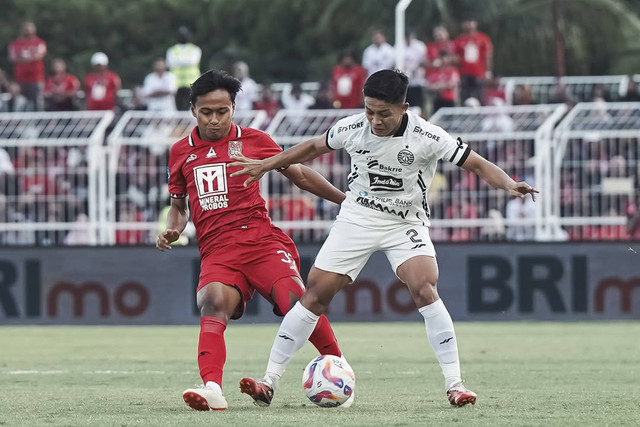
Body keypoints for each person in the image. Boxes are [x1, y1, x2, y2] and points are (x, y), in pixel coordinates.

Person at [230, 69, 538, 408]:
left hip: (405, 223)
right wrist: (269, 164)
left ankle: (456, 384)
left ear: (403, 107)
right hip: (357, 217)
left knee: (424, 287)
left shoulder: (428, 136)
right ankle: (269, 382)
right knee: (315, 294)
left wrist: (509, 183)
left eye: (383, 113)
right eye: (369, 110)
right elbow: (314, 147)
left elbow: (476, 164)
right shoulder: (352, 127)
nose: (375, 120)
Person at [156, 70, 349, 411]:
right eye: (206, 112)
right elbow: (178, 208)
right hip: (217, 249)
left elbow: (301, 175)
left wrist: (347, 202)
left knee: (297, 302)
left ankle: (339, 370)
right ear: (192, 110)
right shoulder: (179, 153)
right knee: (212, 302)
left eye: (222, 111)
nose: (214, 120)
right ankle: (212, 388)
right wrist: (174, 229)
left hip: (260, 241)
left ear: (233, 108)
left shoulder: (256, 141)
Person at [8, 21, 47, 111]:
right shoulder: (16, 44)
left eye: (29, 29)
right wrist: (29, 59)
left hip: (36, 79)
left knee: (37, 102)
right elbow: (12, 57)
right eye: (26, 29)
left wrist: (22, 59)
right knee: (21, 102)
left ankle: (39, 123)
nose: (27, 31)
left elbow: (39, 56)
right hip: (20, 79)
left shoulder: (39, 42)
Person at [454, 19, 493, 104]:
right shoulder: (460, 40)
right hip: (464, 74)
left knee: (479, 97)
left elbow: (488, 55)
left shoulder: (483, 38)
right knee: (464, 97)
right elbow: (456, 58)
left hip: (478, 73)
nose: (469, 25)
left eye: (471, 22)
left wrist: (488, 72)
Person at [166, 26, 202, 110]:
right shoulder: (171, 50)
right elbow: (171, 63)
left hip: (192, 83)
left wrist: (178, 60)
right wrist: (185, 61)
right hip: (175, 84)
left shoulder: (195, 49)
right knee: (177, 107)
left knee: (192, 106)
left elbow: (193, 61)